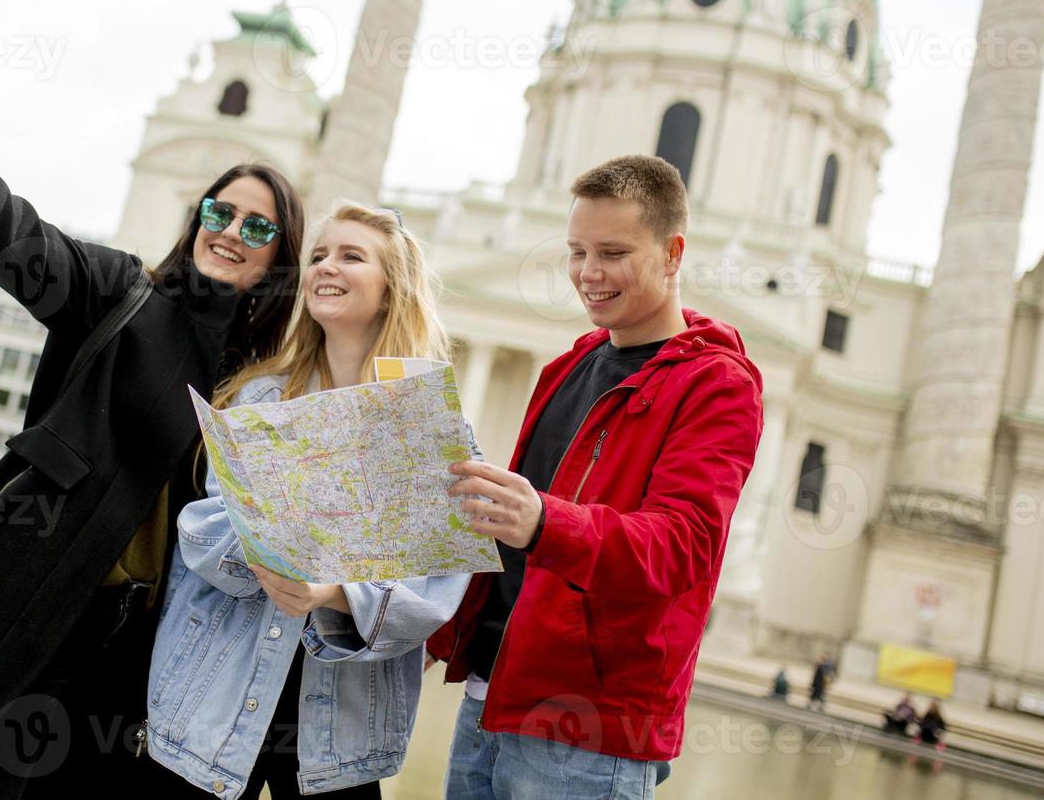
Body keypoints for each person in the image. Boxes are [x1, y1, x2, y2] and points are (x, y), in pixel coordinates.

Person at [0, 40, 306, 798]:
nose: (232, 232)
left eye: (259, 228)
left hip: (129, 660)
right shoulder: (118, 295)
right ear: (197, 218)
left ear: (278, 257)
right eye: (222, 211)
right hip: (22, 613)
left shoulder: (262, 387)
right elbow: (11, 234)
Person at [428, 156, 764, 799]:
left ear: (673, 253)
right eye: (577, 251)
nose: (588, 273)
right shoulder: (569, 364)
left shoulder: (719, 387)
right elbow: (516, 538)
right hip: (491, 693)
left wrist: (543, 521)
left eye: (613, 252)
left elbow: (683, 546)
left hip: (589, 727)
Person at [144, 203, 472, 799]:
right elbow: (203, 529)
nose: (326, 265)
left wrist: (335, 593)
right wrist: (273, 556)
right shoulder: (260, 397)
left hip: (344, 726)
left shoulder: (425, 422)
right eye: (319, 255)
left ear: (391, 284)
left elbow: (439, 582)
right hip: (213, 697)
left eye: (351, 255)